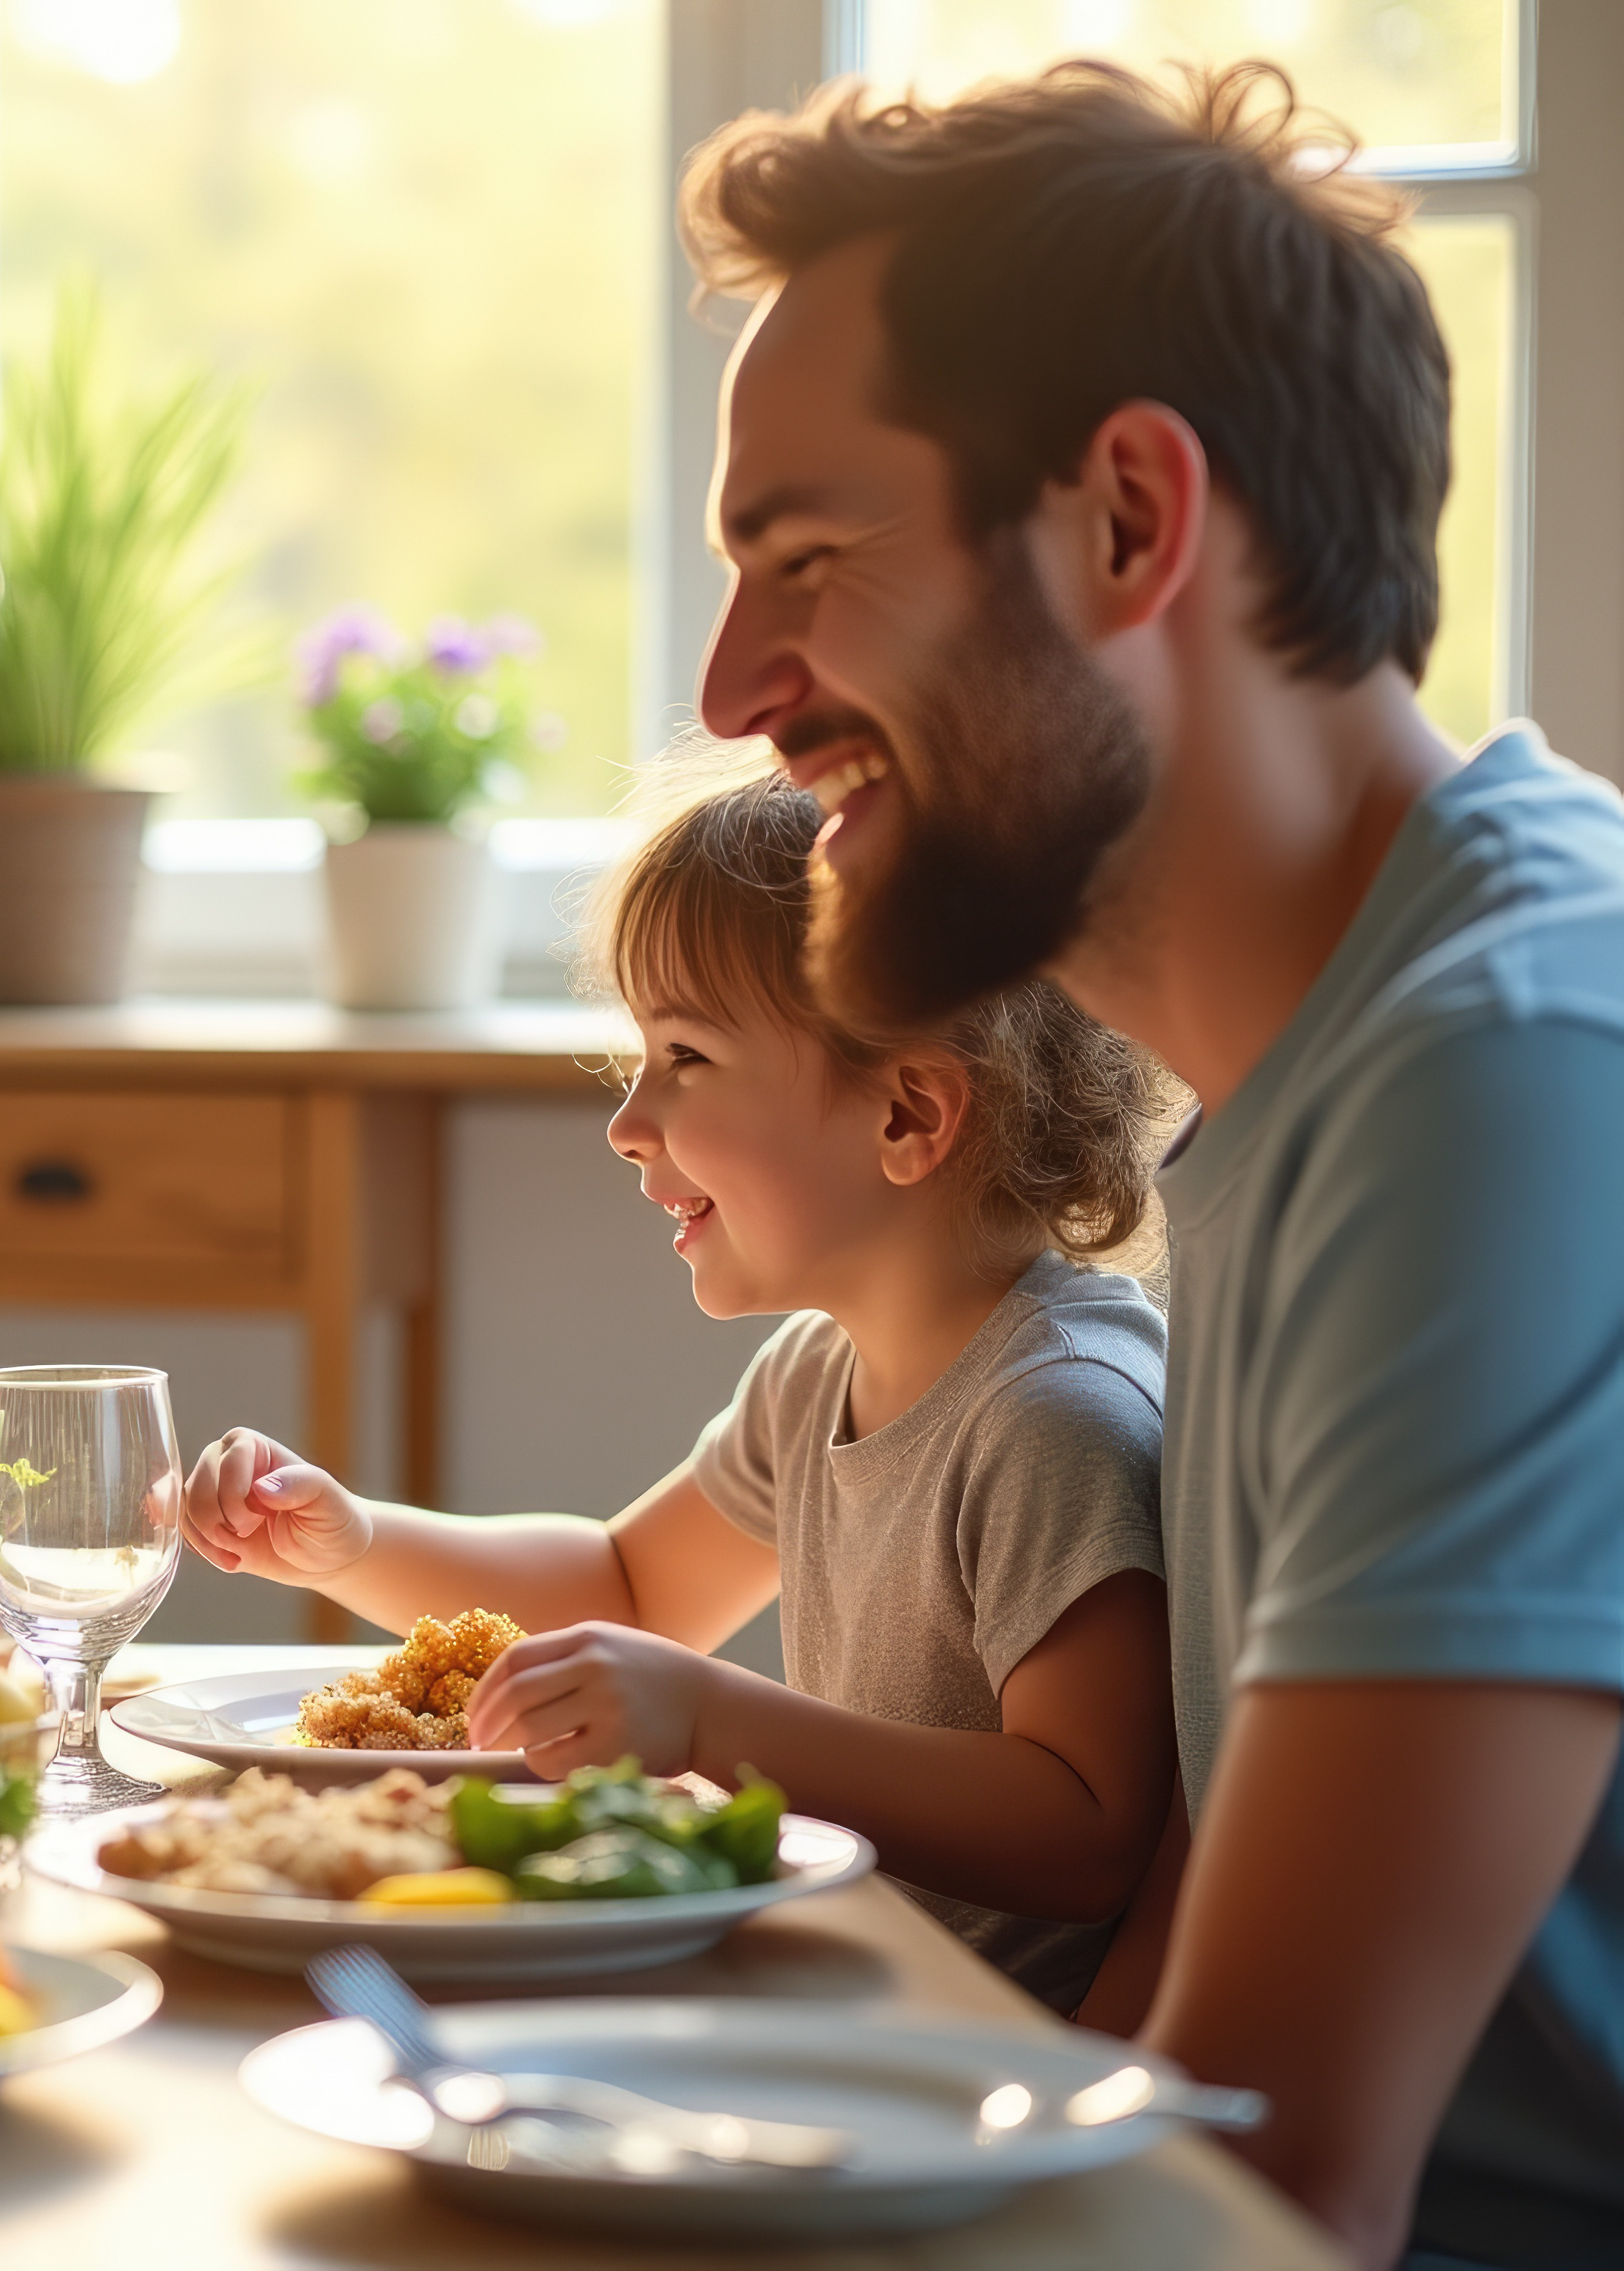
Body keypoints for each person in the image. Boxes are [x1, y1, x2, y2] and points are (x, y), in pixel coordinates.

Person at [679, 61, 1624, 2268]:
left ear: (1128, 517)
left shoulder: (1500, 1078)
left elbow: (1281, 2183)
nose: (740, 690)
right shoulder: (1346, 1059)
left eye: (807, 560)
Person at [182, 763, 1178, 2020]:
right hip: (840, 1992)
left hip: (958, 2055)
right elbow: (632, 1589)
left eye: (687, 1056)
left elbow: (1086, 1830)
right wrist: (355, 1543)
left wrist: (712, 1721)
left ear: (911, 1114)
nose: (628, 1121)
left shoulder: (1056, 1416)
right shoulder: (820, 1371)